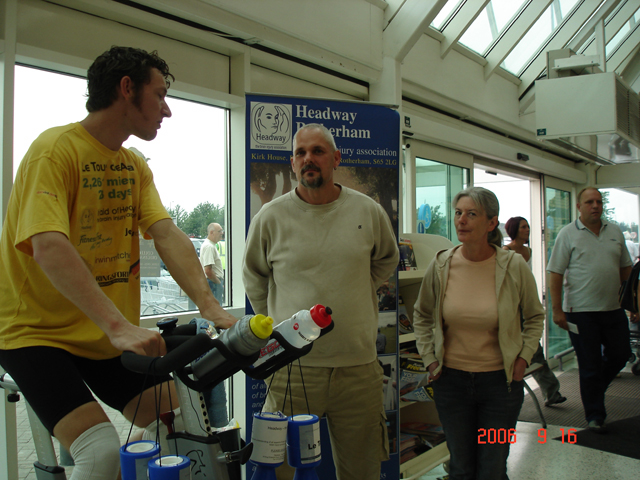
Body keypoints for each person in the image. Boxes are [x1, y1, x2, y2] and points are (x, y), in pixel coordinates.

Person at [0, 46, 236, 480]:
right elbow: (48, 244)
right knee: (100, 453)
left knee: (180, 426)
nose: (167, 110)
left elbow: (166, 234)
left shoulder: (133, 166)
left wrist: (211, 308)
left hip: (100, 334)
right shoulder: (54, 150)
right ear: (127, 89)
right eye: (160, 95)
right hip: (34, 333)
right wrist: (118, 326)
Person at [242, 123, 399, 480]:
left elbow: (386, 259)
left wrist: (358, 287)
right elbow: (254, 276)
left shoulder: (367, 211)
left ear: (336, 158)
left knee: (362, 473)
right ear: (292, 163)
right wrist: (277, 328)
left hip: (358, 369)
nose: (308, 159)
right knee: (278, 471)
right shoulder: (270, 217)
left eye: (318, 151)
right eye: (300, 153)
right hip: (291, 371)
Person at [412, 187, 544, 480]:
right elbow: (421, 314)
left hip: (500, 387)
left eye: (472, 214)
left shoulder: (513, 266)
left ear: (491, 223)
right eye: (458, 213)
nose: (461, 220)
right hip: (451, 384)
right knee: (461, 467)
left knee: (492, 468)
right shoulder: (442, 264)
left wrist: (523, 358)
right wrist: (430, 360)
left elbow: (535, 316)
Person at [547, 187, 636, 433]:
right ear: (579, 206)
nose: (595, 206)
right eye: (589, 202)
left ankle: (595, 389)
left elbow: (626, 269)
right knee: (590, 364)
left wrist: (632, 304)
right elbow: (555, 273)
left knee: (621, 354)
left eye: (598, 201)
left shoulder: (615, 231)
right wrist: (557, 310)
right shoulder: (567, 234)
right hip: (580, 312)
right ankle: (595, 416)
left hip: (613, 309)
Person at [503, 216, 566, 407]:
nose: (527, 230)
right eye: (523, 227)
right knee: (533, 350)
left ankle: (551, 391)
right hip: (512, 308)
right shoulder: (506, 252)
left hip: (527, 304)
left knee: (534, 349)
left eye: (528, 226)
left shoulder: (528, 251)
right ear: (515, 230)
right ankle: (550, 390)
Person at [200, 222, 225, 303]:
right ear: (212, 232)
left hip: (213, 282)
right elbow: (208, 270)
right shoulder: (209, 247)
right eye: (219, 231)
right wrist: (218, 283)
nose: (222, 233)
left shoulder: (211, 245)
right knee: (216, 307)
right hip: (212, 284)